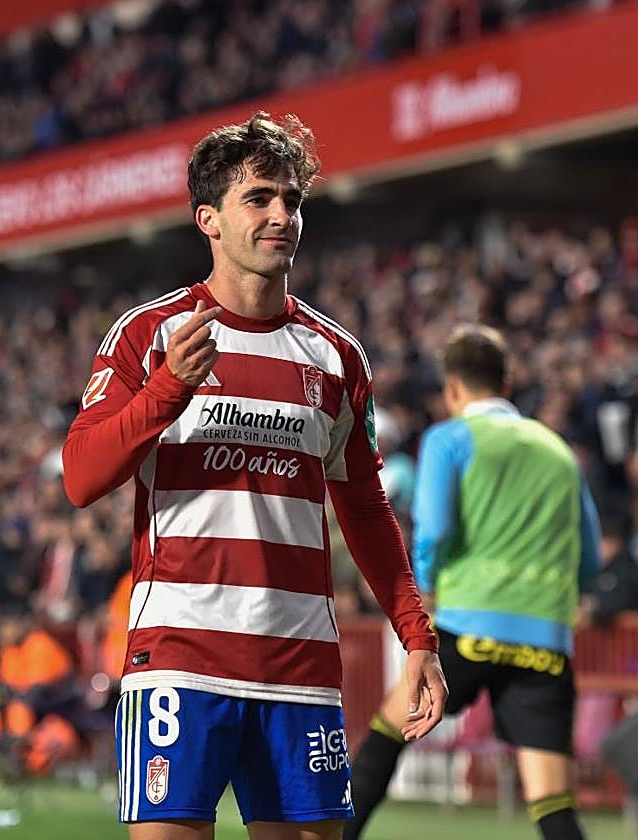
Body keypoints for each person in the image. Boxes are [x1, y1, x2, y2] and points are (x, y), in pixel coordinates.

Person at [62, 112, 445, 839]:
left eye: (292, 200)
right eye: (259, 198)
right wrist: (167, 389)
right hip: (181, 659)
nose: (282, 216)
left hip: (299, 665)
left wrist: (416, 636)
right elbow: (80, 477)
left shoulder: (336, 356)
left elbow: (366, 510)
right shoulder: (149, 337)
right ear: (207, 218)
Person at [345, 325, 601, 840]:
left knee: (383, 742)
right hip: (544, 638)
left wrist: (427, 588)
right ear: (507, 381)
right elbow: (589, 555)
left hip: (467, 626)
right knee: (553, 806)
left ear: (453, 387)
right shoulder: (557, 450)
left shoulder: (450, 437)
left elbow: (434, 529)